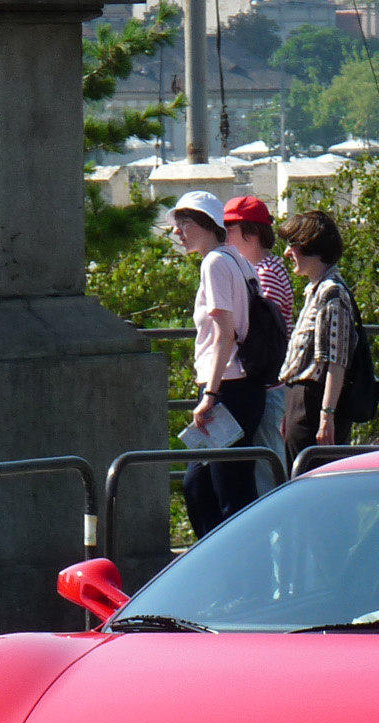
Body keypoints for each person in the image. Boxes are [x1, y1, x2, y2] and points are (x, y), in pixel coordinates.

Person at [173, 190, 267, 539]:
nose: (177, 232)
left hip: (226, 387)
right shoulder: (238, 260)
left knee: (227, 494)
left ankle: (238, 579)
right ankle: (227, 574)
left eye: (183, 224)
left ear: (204, 224)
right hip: (242, 386)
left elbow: (224, 334)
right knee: (204, 485)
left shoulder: (213, 262)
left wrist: (210, 393)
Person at [220, 195, 293, 495]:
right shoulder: (267, 269)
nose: (225, 238)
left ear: (250, 232)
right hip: (270, 384)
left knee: (266, 471)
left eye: (230, 230)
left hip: (266, 386)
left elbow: (259, 332)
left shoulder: (265, 274)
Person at [276, 210, 358, 469]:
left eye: (293, 245)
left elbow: (336, 361)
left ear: (311, 247)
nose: (288, 253)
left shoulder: (331, 294)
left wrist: (327, 416)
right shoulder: (317, 290)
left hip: (313, 402)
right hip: (301, 403)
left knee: (312, 480)